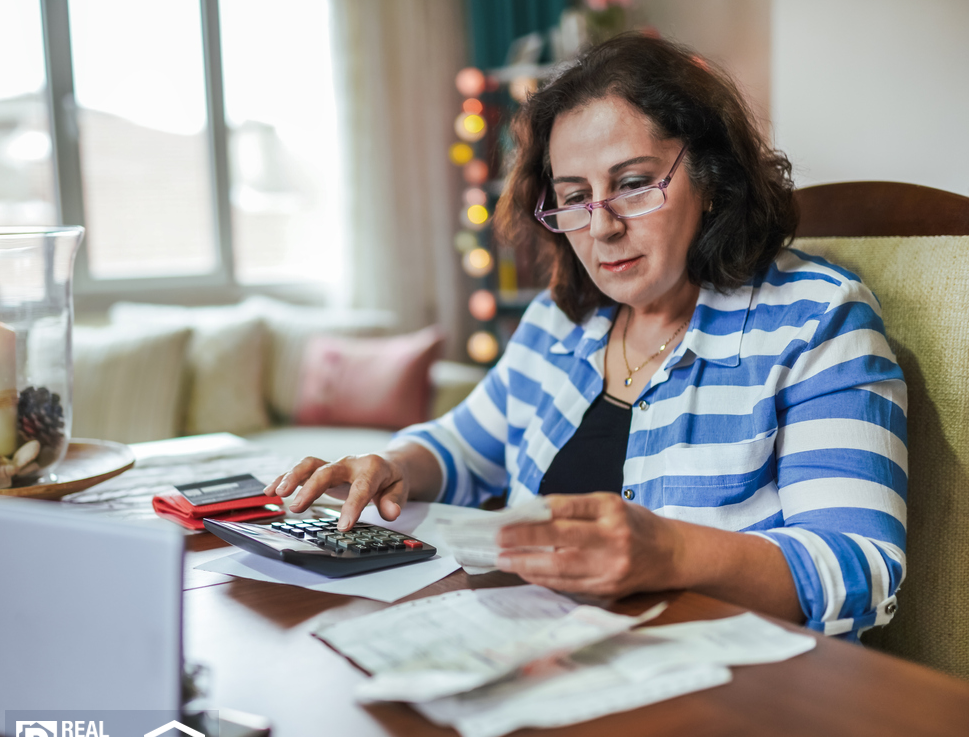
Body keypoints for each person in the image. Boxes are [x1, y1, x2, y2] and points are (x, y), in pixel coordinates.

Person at [267, 34, 907, 641]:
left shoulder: (817, 320)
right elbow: (466, 445)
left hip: (730, 698)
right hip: (546, 654)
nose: (601, 227)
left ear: (711, 178)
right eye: (575, 195)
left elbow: (860, 565)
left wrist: (672, 551)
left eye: (632, 184)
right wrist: (392, 465)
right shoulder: (562, 317)